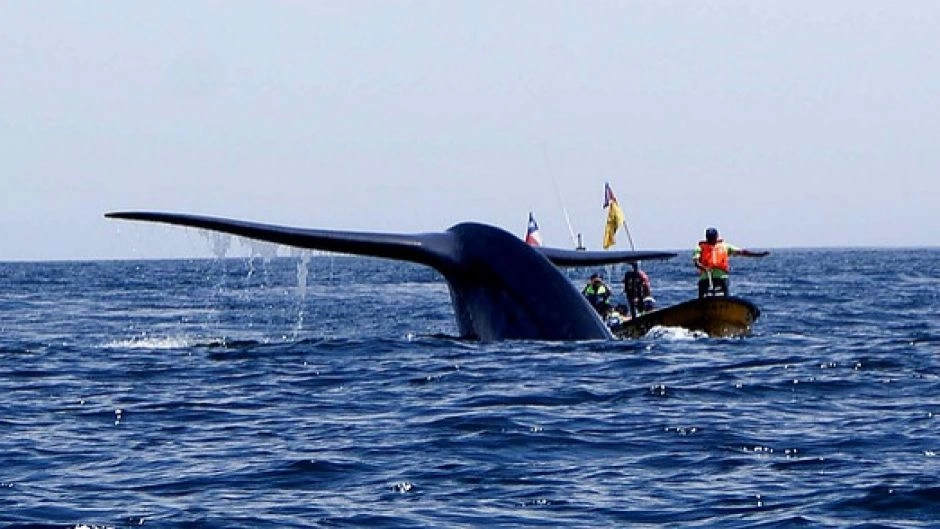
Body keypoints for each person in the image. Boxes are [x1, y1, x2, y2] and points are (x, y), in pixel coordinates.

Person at [693, 227, 769, 298]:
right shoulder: (700, 248)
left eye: (713, 237)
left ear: (717, 236)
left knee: (725, 294)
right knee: (702, 295)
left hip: (721, 277)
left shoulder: (725, 246)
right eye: (709, 237)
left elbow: (742, 252)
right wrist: (703, 268)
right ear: (706, 238)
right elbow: (696, 262)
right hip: (705, 278)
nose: (711, 239)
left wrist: (758, 254)